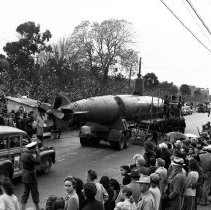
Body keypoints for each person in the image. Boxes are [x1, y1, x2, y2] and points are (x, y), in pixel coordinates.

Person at [20, 142, 41, 210]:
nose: (35, 149)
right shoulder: (30, 156)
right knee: (35, 193)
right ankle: (37, 208)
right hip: (31, 176)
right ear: (32, 149)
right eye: (35, 148)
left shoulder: (23, 154)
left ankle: (22, 208)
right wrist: (37, 153)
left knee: (26, 193)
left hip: (25, 176)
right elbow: (38, 161)